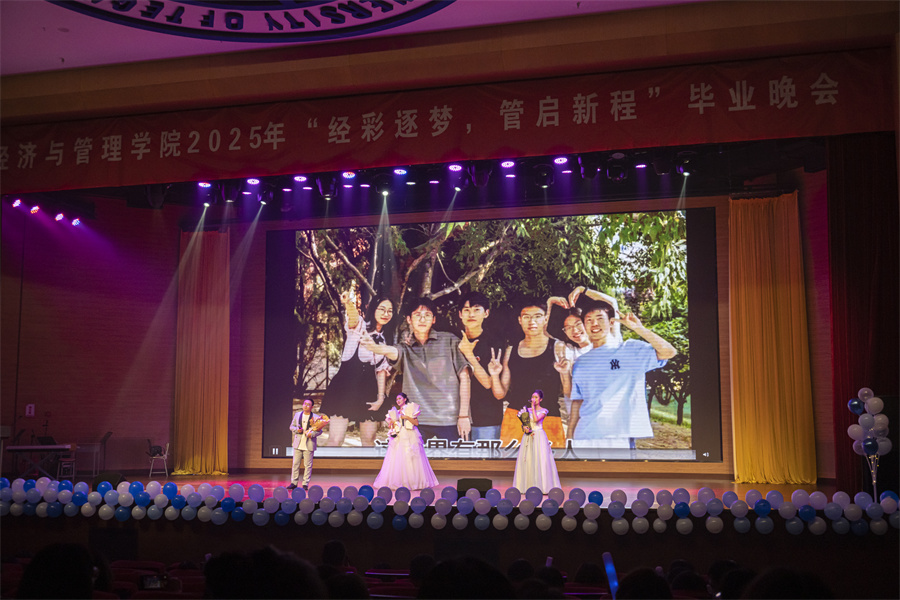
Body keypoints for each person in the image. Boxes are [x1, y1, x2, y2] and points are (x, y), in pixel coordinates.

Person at [360, 297, 471, 442]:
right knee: (412, 457)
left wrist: (463, 416)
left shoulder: (450, 341)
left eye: (427, 315)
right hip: (415, 420)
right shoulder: (405, 347)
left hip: (449, 419)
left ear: (434, 320)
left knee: (452, 457)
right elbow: (393, 351)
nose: (422, 319)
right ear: (409, 319)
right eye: (417, 315)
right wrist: (375, 348)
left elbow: (465, 377)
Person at [567, 299, 676, 448]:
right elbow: (578, 401)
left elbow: (669, 352)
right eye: (589, 320)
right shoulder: (580, 362)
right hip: (584, 436)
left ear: (611, 322)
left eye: (600, 318)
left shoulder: (630, 350)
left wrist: (638, 328)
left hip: (619, 437)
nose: (594, 324)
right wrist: (569, 436)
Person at [323, 289, 397, 447]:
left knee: (369, 440)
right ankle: (327, 464)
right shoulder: (361, 325)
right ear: (373, 309)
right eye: (382, 309)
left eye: (390, 311)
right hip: (345, 386)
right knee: (336, 439)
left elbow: (381, 371)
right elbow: (353, 318)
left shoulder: (388, 338)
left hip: (368, 389)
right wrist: (348, 303)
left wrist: (380, 398)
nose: (386, 314)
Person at [492, 299, 566, 448]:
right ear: (520, 320)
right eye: (526, 317)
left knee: (549, 463)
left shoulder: (558, 347)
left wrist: (565, 374)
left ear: (545, 319)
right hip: (515, 418)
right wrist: (494, 375)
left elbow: (569, 391)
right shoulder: (511, 350)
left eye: (537, 316)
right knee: (512, 462)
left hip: (548, 419)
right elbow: (500, 394)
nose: (532, 321)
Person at [456, 291, 505, 441]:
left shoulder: (494, 343)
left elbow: (489, 383)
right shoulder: (454, 340)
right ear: (460, 314)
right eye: (467, 310)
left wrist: (468, 354)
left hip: (486, 418)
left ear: (486, 313)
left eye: (477, 309)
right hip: (456, 417)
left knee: (485, 457)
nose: (471, 314)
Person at [373, 392, 440, 490]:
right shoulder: (396, 411)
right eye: (397, 399)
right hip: (399, 435)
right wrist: (391, 423)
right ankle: (399, 481)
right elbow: (393, 425)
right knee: (397, 458)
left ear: (405, 399)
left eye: (400, 398)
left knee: (411, 457)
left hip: (409, 435)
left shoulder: (410, 409)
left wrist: (407, 417)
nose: (398, 401)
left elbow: (416, 423)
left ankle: (413, 482)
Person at [512, 390, 561, 493]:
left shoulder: (544, 411)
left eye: (536, 397)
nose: (533, 399)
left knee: (541, 460)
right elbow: (525, 423)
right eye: (532, 397)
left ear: (540, 399)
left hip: (539, 436)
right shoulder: (526, 410)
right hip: (528, 437)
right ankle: (526, 486)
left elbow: (536, 420)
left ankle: (543, 487)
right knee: (528, 460)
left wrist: (533, 408)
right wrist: (524, 427)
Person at [287, 399, 323, 490]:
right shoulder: (297, 415)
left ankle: (305, 483)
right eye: (304, 404)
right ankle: (294, 483)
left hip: (309, 443)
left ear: (312, 407)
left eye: (308, 404)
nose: (305, 406)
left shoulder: (315, 417)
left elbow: (320, 431)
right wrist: (297, 430)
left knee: (308, 465)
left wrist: (312, 434)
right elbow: (291, 426)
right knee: (295, 464)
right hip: (298, 443)